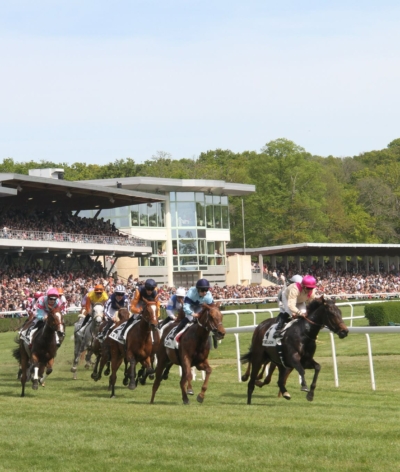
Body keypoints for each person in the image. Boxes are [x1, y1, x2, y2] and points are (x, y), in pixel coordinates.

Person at [174, 278, 213, 345]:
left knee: (205, 319)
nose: (204, 293)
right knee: (190, 318)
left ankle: (213, 336)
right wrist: (192, 314)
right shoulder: (191, 292)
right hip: (190, 306)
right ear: (197, 289)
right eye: (202, 291)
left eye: (206, 290)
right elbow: (185, 307)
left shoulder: (208, 295)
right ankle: (175, 333)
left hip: (199, 306)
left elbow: (212, 308)